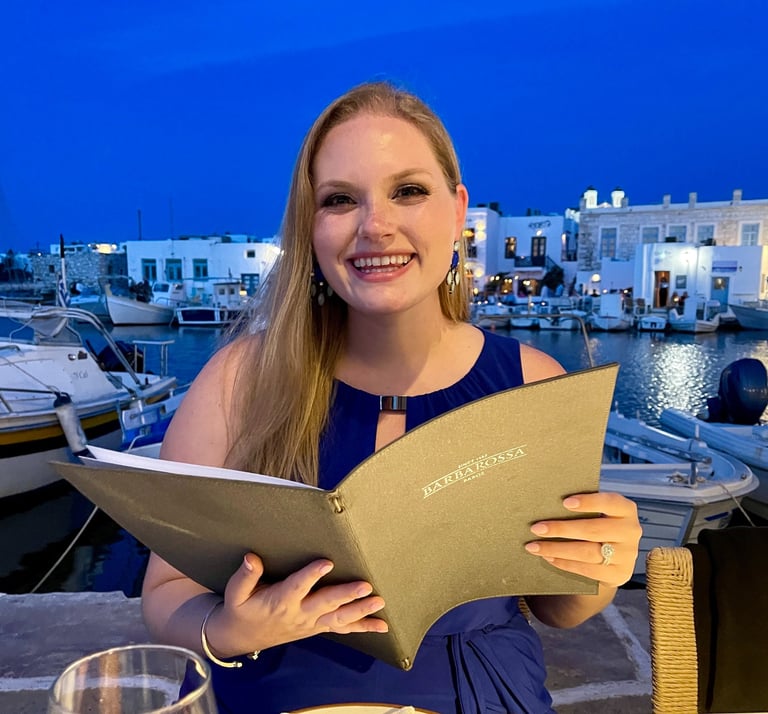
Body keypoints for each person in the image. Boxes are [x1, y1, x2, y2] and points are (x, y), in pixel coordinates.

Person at [141, 80, 642, 714]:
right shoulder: (239, 379)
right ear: (310, 228)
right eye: (339, 200)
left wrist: (602, 563)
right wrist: (231, 629)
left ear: (457, 211)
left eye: (408, 191)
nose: (375, 226)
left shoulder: (532, 380)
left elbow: (558, 607)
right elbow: (166, 591)